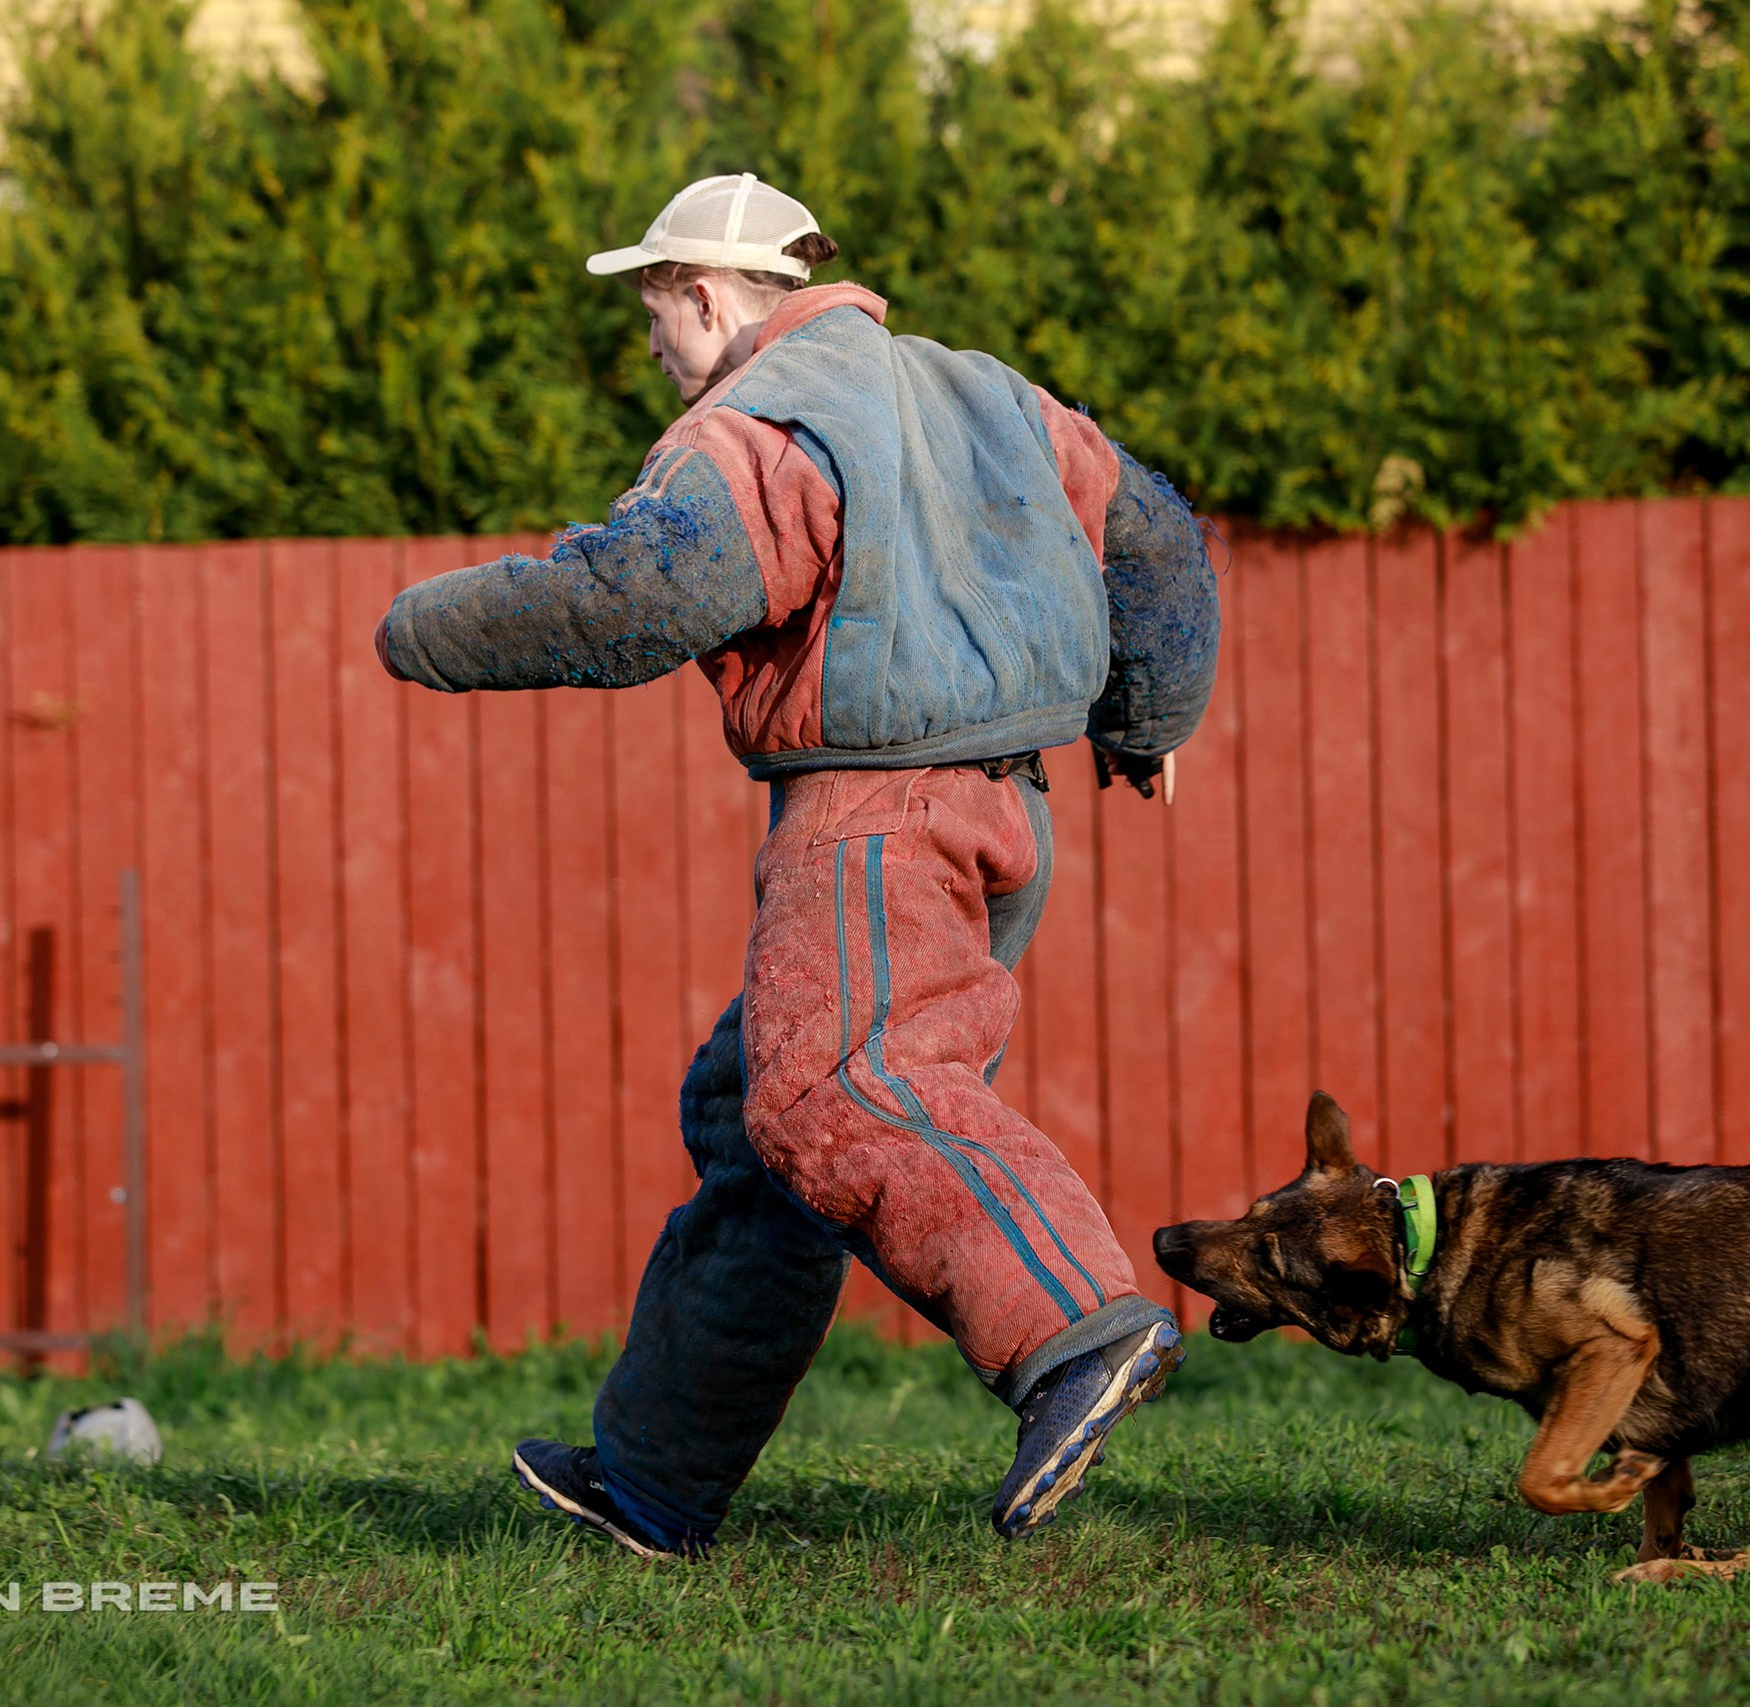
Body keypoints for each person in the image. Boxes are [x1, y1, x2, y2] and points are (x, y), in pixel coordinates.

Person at [375, 173, 1219, 1558]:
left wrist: (422, 628)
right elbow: (1156, 534)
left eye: (656, 315)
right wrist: (1149, 716)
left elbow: (643, 596)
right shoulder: (992, 393)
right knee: (755, 1128)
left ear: (708, 299)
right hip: (1006, 812)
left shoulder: (760, 426)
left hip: (874, 816)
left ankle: (1071, 1332)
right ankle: (653, 1482)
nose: (654, 347)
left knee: (837, 1087)